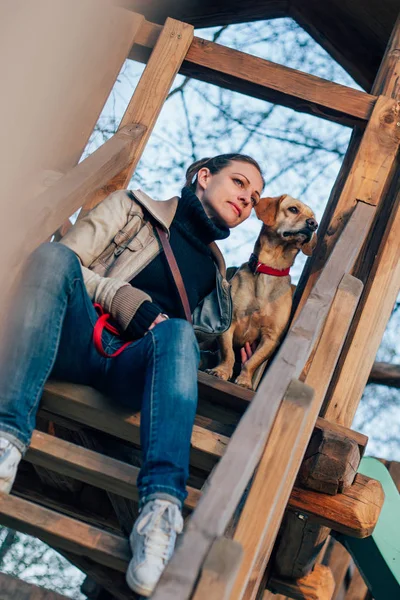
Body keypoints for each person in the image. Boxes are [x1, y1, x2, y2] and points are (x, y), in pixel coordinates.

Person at [0, 153, 264, 596]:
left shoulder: (220, 278)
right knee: (48, 256)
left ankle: (160, 511)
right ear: (203, 177)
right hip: (77, 334)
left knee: (178, 333)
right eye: (239, 183)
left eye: (254, 197)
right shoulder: (131, 209)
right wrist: (123, 299)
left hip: (131, 368)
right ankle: (7, 438)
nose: (246, 198)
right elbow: (63, 264)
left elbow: (192, 349)